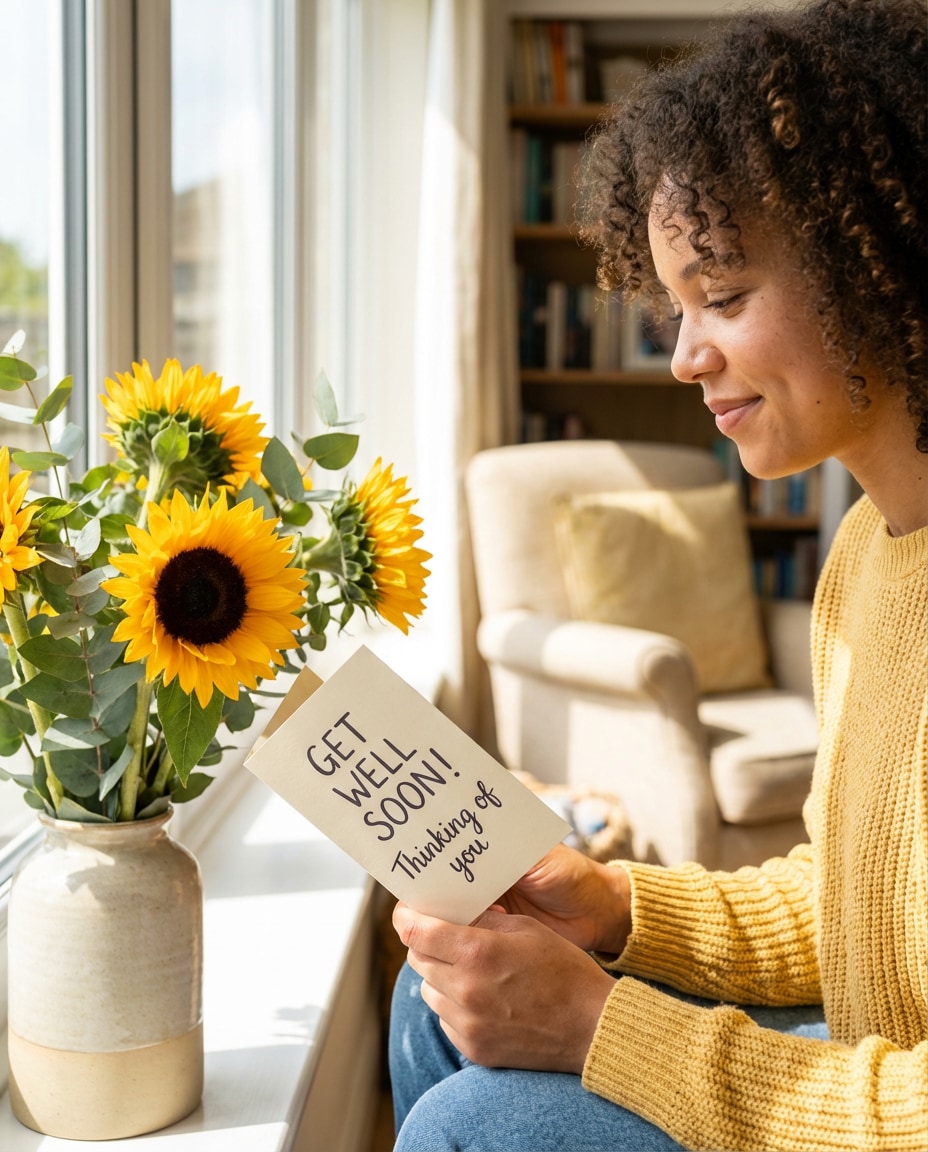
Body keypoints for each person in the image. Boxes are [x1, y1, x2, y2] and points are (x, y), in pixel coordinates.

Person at [388, 0, 927, 1148]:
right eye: (676, 306)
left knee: (471, 1121)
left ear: (876, 261)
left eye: (723, 298)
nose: (685, 356)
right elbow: (851, 907)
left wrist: (608, 1030)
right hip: (871, 1061)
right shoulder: (863, 563)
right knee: (439, 1005)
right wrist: (618, 909)